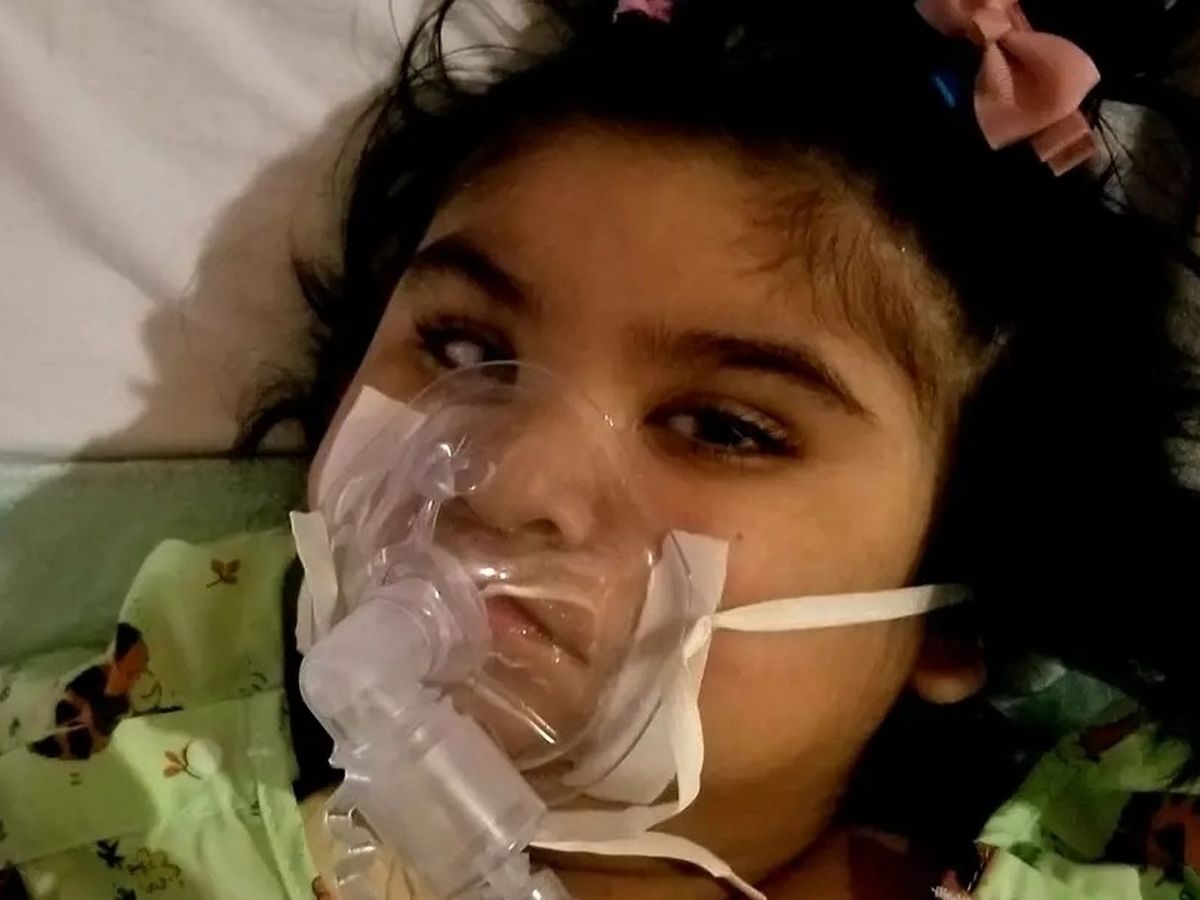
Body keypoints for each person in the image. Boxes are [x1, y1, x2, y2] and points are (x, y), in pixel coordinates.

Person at [5, 1, 1199, 898]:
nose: (509, 480)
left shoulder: (1121, 854)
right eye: (464, 349)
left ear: (955, 611)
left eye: (723, 426)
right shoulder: (114, 804)